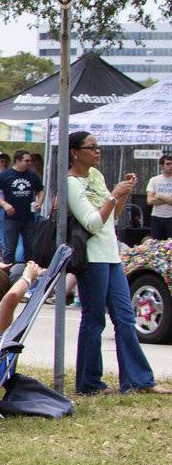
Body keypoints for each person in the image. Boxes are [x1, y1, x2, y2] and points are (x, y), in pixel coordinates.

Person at [66, 131, 170, 395]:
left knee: (125, 318)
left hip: (111, 255)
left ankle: (138, 380)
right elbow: (91, 222)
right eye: (91, 147)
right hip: (91, 257)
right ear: (75, 152)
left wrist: (122, 194)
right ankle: (89, 383)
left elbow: (114, 215)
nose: (97, 151)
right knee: (94, 320)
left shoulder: (97, 176)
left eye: (98, 147)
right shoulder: (71, 183)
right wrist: (114, 195)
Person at [0, 149, 44, 263]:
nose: (29, 163)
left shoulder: (32, 175)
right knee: (9, 249)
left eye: (30, 161)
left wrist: (40, 202)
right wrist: (4, 204)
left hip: (28, 217)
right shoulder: (6, 175)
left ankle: (28, 274)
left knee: (30, 248)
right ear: (17, 161)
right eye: (27, 161)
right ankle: (8, 273)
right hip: (11, 218)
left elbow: (40, 190)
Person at [147, 153, 172, 240]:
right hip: (157, 217)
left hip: (171, 217)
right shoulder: (154, 180)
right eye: (168, 164)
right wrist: (169, 199)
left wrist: (159, 196)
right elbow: (149, 201)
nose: (171, 166)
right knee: (156, 244)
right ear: (161, 165)